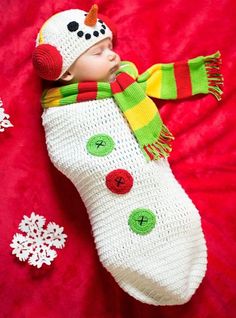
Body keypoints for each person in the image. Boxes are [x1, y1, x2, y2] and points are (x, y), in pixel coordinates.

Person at [32, 4, 223, 306]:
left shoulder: (127, 89)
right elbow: (65, 156)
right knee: (122, 218)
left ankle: (173, 226)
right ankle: (129, 247)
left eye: (110, 47)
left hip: (154, 183)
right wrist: (99, 165)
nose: (112, 55)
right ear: (65, 70)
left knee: (166, 201)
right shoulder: (60, 114)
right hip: (112, 201)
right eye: (98, 52)